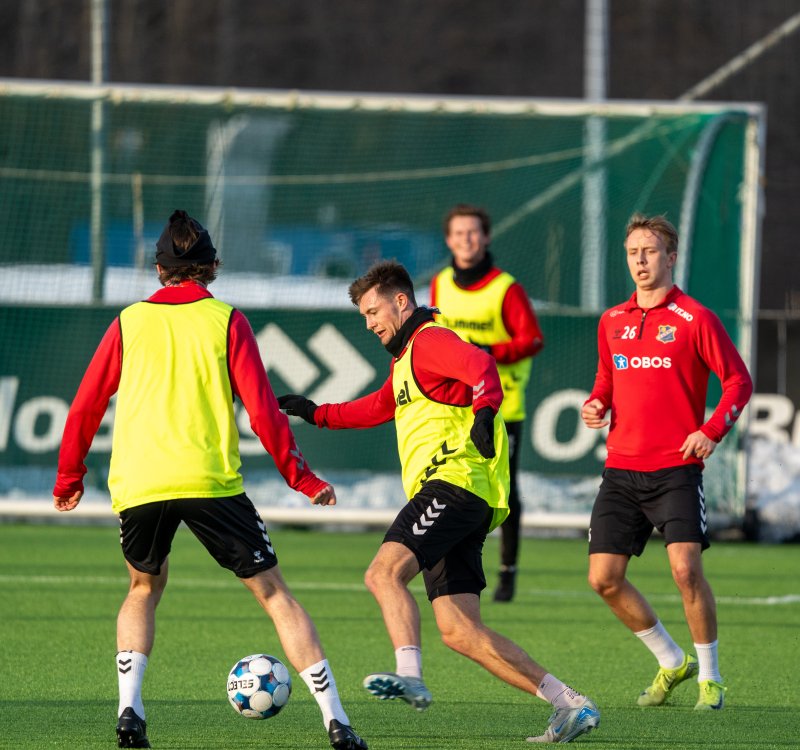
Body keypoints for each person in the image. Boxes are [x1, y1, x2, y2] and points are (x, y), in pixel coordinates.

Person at [52, 210, 367, 750]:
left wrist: (68, 477)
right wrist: (303, 478)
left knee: (143, 588)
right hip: (209, 482)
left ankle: (130, 710)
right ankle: (336, 721)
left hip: (141, 483)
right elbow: (264, 413)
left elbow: (85, 405)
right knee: (274, 594)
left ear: (159, 269)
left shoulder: (129, 321)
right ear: (212, 266)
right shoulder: (227, 320)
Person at [279, 260, 599, 744]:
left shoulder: (430, 340)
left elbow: (482, 367)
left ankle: (409, 674)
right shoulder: (406, 359)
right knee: (458, 630)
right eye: (363, 316)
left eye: (373, 312)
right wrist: (314, 412)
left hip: (453, 484)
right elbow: (377, 406)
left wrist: (485, 411)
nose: (369, 324)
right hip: (465, 498)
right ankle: (570, 703)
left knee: (383, 574)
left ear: (401, 301)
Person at [581, 213, 753, 712]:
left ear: (671, 257)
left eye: (650, 251)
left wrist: (711, 430)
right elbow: (606, 380)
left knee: (685, 570)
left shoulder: (695, 318)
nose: (640, 260)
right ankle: (672, 661)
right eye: (633, 252)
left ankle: (711, 679)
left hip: (676, 468)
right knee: (603, 579)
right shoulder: (612, 320)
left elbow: (738, 381)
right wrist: (596, 403)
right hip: (621, 470)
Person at [430, 204, 543, 602]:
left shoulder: (505, 288)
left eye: (474, 232)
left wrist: (489, 351)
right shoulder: (440, 284)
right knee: (449, 483)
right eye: (459, 233)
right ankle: (450, 566)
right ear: (449, 240)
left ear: (487, 237)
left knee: (504, 492)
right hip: (451, 406)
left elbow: (532, 339)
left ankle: (507, 571)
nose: (467, 239)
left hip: (500, 407)